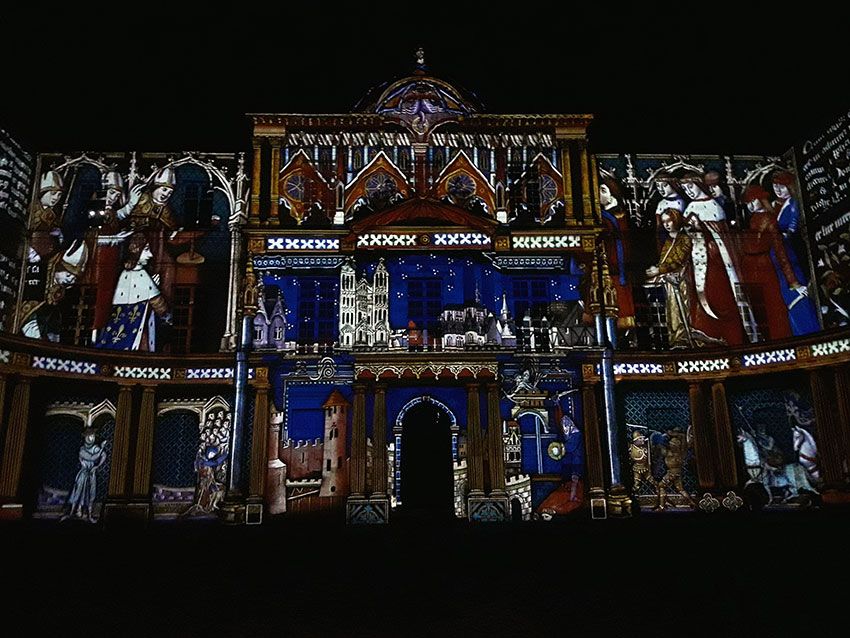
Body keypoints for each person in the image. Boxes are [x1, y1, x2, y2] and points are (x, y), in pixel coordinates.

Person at [681, 172, 748, 345]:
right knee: (699, 297)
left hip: (716, 264)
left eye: (690, 186)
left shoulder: (714, 207)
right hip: (696, 262)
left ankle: (729, 336)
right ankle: (705, 333)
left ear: (699, 185)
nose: (688, 191)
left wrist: (711, 244)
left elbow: (722, 238)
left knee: (720, 297)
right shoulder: (689, 208)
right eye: (684, 188)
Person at [740, 185, 808, 340]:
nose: (750, 206)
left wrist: (793, 282)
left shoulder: (769, 220)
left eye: (753, 201)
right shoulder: (754, 219)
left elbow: (780, 251)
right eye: (747, 203)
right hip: (755, 268)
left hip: (767, 268)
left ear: (761, 199)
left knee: (773, 307)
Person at [95, 233, 171, 351]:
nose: (150, 255)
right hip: (137, 330)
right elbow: (159, 304)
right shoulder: (141, 275)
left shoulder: (123, 275)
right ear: (136, 250)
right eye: (146, 249)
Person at [770, 171, 820, 335]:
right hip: (780, 254)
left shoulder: (793, 203)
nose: (777, 189)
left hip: (789, 252)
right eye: (775, 185)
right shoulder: (779, 205)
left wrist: (783, 235)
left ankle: (809, 332)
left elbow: (792, 227)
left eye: (781, 185)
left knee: (799, 295)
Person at [19, 240, 88, 342]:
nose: (71, 280)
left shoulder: (59, 293)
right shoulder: (39, 275)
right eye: (68, 274)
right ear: (58, 269)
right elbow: (29, 315)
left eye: (74, 278)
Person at [598, 176, 636, 329]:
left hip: (617, 264)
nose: (599, 194)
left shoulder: (619, 215)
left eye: (603, 190)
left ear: (612, 193)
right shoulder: (600, 215)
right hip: (603, 263)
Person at [62, 428, 108, 523]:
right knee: (78, 492)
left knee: (91, 494)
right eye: (90, 436)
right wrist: (101, 448)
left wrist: (97, 466)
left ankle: (89, 515)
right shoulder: (82, 449)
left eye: (93, 436)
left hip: (91, 474)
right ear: (86, 437)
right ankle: (72, 512)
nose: (92, 438)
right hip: (83, 474)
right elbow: (92, 457)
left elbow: (103, 455)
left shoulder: (95, 448)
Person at [655, 430, 695, 510]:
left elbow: (659, 446)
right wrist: (674, 434)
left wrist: (661, 438)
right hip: (678, 473)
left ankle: (662, 506)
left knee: (661, 486)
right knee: (680, 489)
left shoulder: (669, 453)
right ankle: (691, 502)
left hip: (671, 474)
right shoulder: (681, 453)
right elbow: (683, 437)